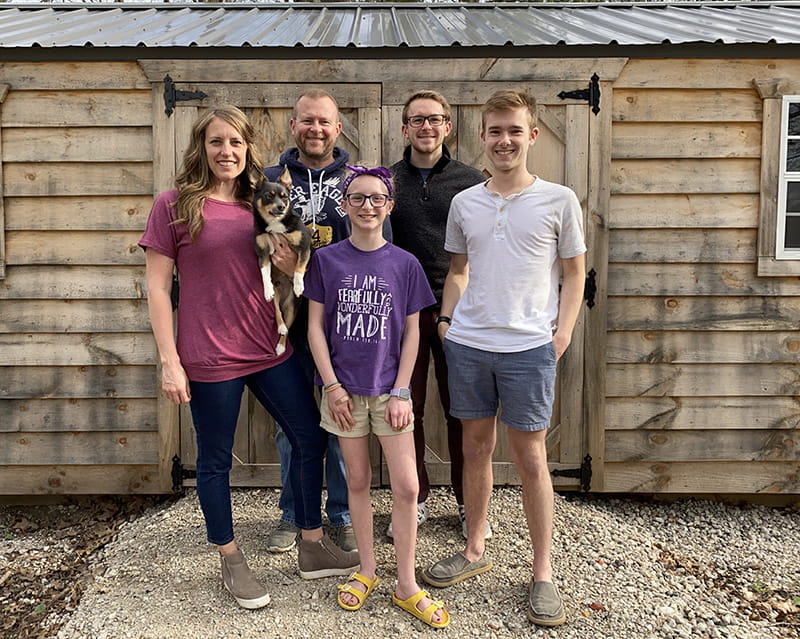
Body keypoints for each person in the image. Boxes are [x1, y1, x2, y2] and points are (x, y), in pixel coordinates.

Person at [140, 105, 359, 610]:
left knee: (310, 436)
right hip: (210, 353)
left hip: (270, 347)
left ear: (247, 149)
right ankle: (231, 558)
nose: (227, 152)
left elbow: (293, 261)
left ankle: (311, 543)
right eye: (217, 143)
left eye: (236, 143)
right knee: (215, 462)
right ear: (202, 148)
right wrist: (169, 360)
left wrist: (291, 261)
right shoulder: (175, 205)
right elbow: (155, 288)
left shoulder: (260, 201)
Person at [421, 90, 586, 628]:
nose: (504, 140)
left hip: (528, 348)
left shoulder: (559, 200)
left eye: (514, 131)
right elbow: (459, 270)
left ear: (531, 135)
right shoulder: (466, 202)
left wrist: (560, 335)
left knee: (531, 458)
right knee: (473, 448)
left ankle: (542, 572)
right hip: (469, 344)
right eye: (495, 131)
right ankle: (474, 548)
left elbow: (575, 274)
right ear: (483, 137)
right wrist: (446, 323)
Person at [305, 165, 449, 628]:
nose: (367, 206)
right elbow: (314, 328)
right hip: (344, 394)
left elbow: (414, 333)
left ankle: (406, 583)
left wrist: (403, 390)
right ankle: (367, 570)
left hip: (390, 394)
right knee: (358, 483)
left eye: (376, 199)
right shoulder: (327, 261)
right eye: (358, 198)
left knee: (407, 487)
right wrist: (331, 386)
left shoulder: (404, 264)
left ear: (389, 207)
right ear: (345, 205)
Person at [263, 90, 394, 554]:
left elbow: (382, 249)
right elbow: (250, 242)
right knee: (290, 424)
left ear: (339, 129)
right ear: (293, 125)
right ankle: (294, 514)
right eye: (306, 121)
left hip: (347, 322)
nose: (315, 129)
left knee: (344, 422)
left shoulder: (358, 181)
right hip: (288, 320)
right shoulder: (269, 179)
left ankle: (340, 514)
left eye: (324, 122)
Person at [388, 90, 488, 540]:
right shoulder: (387, 181)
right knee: (407, 409)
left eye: (435, 119)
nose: (426, 127)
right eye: (417, 120)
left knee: (462, 410)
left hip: (460, 312)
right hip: (401, 312)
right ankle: (416, 499)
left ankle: (469, 504)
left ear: (448, 127)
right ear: (404, 128)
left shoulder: (472, 182)